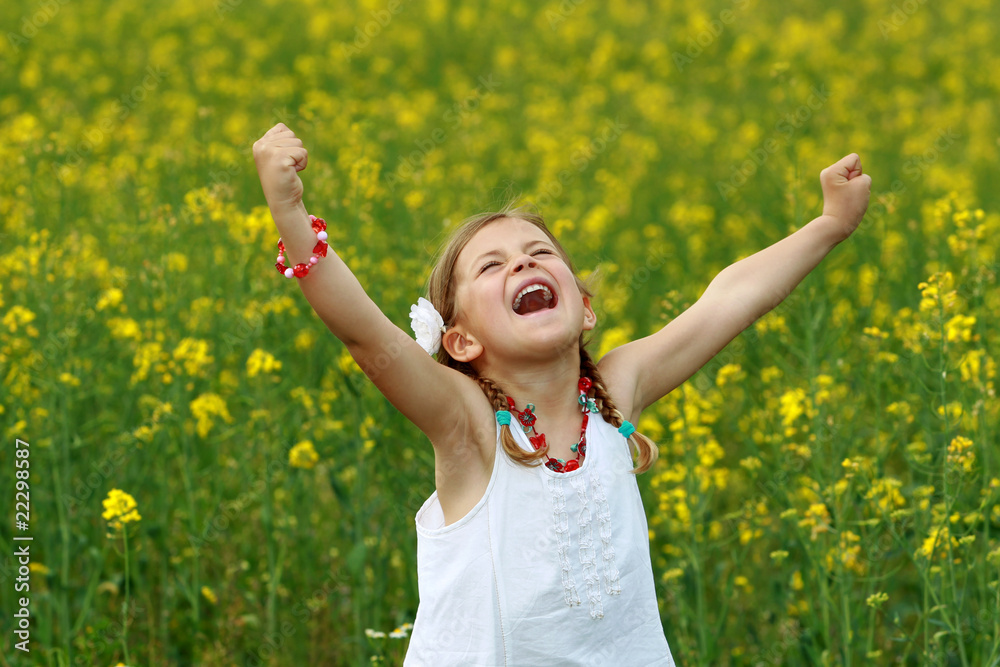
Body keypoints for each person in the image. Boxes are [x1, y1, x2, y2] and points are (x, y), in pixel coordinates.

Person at [252, 122, 871, 665]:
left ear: (586, 311)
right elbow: (365, 333)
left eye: (539, 252)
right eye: (491, 267)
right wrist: (289, 212)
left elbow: (728, 299)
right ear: (461, 341)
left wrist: (829, 225)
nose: (522, 265)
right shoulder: (469, 424)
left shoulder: (615, 392)